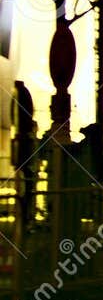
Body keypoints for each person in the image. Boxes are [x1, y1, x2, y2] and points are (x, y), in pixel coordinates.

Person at [11, 82, 39, 226]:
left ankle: (25, 214)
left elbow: (14, 117)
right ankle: (27, 215)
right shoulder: (23, 94)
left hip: (22, 147)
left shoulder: (18, 94)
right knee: (27, 184)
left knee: (25, 184)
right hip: (24, 147)